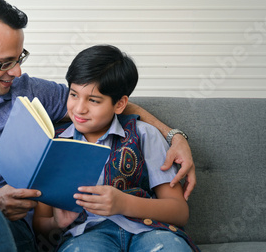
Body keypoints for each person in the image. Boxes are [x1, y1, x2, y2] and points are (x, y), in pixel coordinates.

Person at [0, 0, 196, 251]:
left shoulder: (28, 90)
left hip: (6, 231)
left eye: (20, 58)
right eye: (5, 62)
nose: (16, 72)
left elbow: (108, 101)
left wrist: (174, 136)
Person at [32, 45, 199, 251]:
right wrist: (58, 223)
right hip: (87, 235)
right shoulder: (54, 145)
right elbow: (40, 222)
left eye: (93, 100)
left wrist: (123, 204)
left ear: (120, 105)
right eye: (74, 95)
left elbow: (179, 212)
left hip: (149, 230)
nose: (79, 108)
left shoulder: (144, 134)